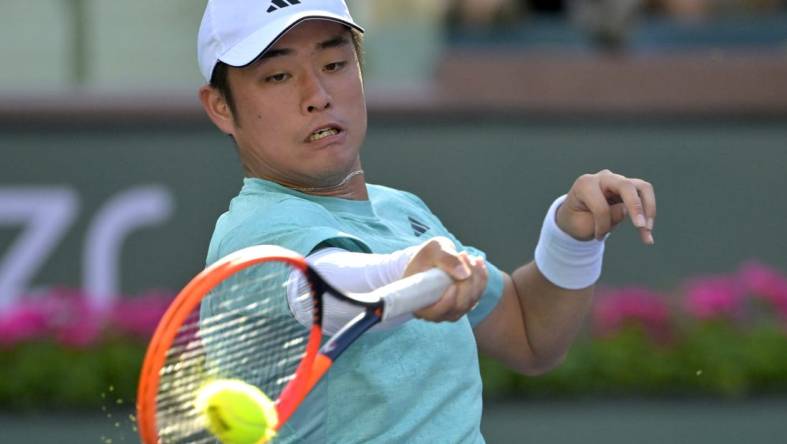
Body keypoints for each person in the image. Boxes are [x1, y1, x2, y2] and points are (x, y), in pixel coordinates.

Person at [196, 0, 656, 442]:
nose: (316, 95)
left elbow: (529, 335)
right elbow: (322, 290)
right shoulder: (251, 239)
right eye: (277, 76)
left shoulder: (403, 212)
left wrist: (571, 238)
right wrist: (406, 273)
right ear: (220, 106)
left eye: (334, 65)